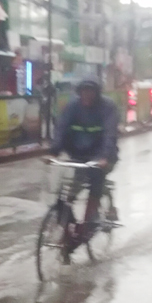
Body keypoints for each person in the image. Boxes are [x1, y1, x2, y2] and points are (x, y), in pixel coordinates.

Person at [50, 78, 120, 233]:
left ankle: (89, 223)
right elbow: (61, 127)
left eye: (91, 92)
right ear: (79, 93)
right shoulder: (73, 106)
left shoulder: (107, 107)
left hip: (103, 156)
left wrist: (105, 157)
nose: (87, 96)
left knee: (96, 180)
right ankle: (67, 225)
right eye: (84, 92)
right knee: (70, 190)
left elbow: (110, 134)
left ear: (97, 94)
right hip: (80, 155)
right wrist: (54, 150)